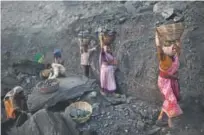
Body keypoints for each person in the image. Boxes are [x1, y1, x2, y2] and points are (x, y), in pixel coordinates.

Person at [155, 31, 182, 128]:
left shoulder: (175, 55)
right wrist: (157, 37)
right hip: (165, 82)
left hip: (172, 81)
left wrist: (178, 38)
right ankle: (169, 122)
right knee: (171, 100)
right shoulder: (165, 59)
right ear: (165, 49)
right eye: (172, 47)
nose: (174, 48)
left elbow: (178, 46)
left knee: (170, 98)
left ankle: (161, 118)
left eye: (174, 47)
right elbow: (164, 74)